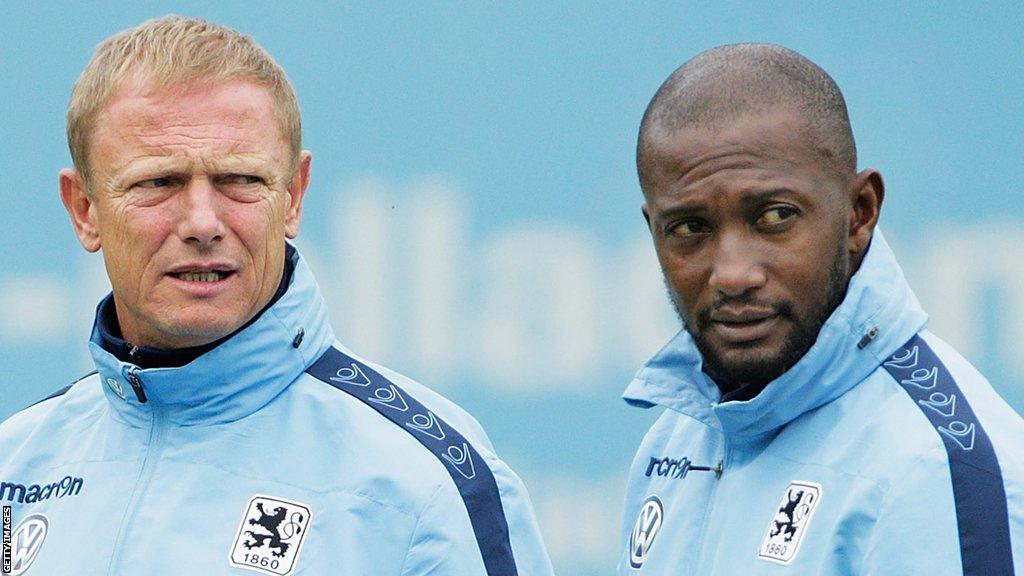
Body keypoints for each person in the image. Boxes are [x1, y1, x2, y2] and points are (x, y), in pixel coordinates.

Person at [0, 15, 553, 576]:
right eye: (157, 182)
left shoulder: (423, 483)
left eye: (239, 180)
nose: (202, 222)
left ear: (293, 196)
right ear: (84, 209)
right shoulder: (14, 466)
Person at [618, 44, 1023, 575]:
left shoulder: (937, 467)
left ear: (860, 214)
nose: (734, 274)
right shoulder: (673, 442)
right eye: (690, 228)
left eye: (775, 216)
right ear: (654, 232)